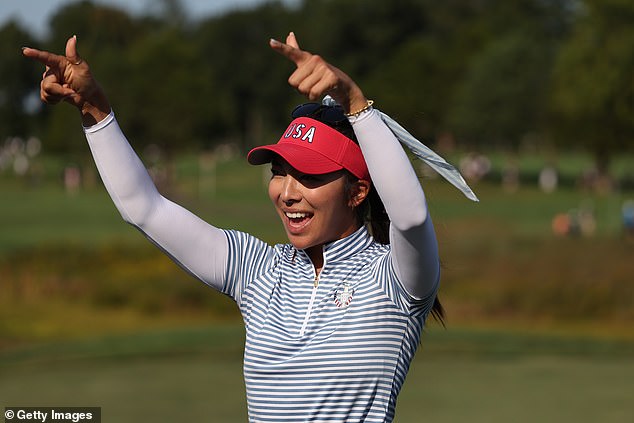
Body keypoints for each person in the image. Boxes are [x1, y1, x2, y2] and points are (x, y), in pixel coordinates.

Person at [24, 32, 458, 422]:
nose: (286, 192)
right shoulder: (257, 268)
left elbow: (411, 216)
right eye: (279, 171)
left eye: (307, 176)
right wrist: (94, 109)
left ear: (358, 191)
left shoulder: (395, 279)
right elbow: (144, 207)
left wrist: (356, 105)